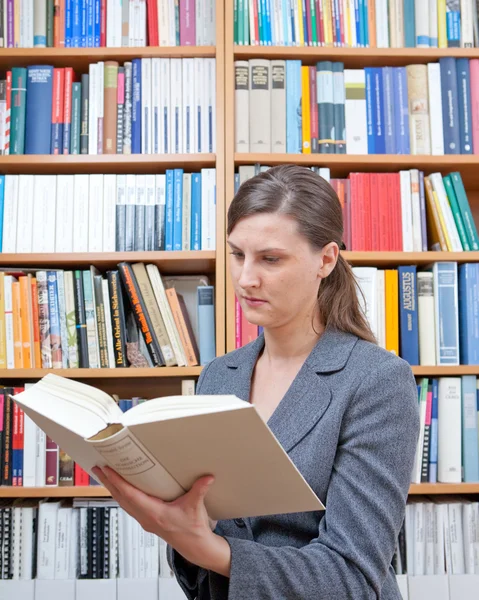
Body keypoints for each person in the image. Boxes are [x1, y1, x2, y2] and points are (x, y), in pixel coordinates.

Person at [93, 164, 420, 599]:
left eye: (270, 259)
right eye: (237, 254)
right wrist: (179, 525)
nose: (246, 278)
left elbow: (352, 576)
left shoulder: (377, 381)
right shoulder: (218, 375)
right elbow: (202, 559)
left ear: (325, 259)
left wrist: (209, 548)